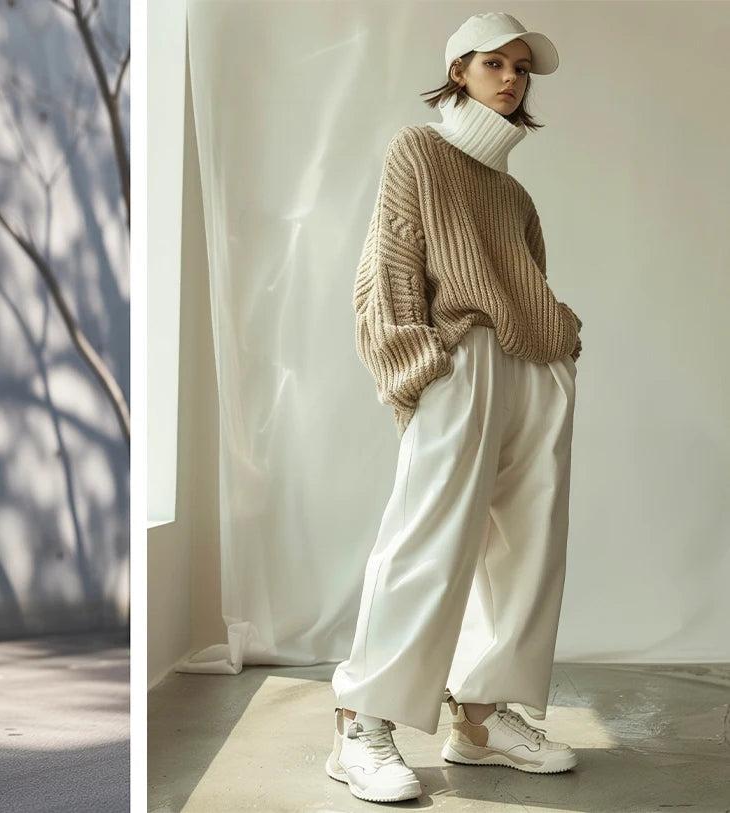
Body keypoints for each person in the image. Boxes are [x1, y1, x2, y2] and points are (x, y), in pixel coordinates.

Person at [325, 12, 583, 804]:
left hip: (534, 367)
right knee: (424, 540)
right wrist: (416, 365)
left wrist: (562, 347)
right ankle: (360, 722)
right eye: (493, 64)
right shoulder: (420, 151)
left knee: (526, 549)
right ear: (459, 71)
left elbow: (529, 280)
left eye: (520, 69)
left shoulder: (513, 192)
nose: (510, 77)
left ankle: (480, 717)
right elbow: (389, 267)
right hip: (460, 361)